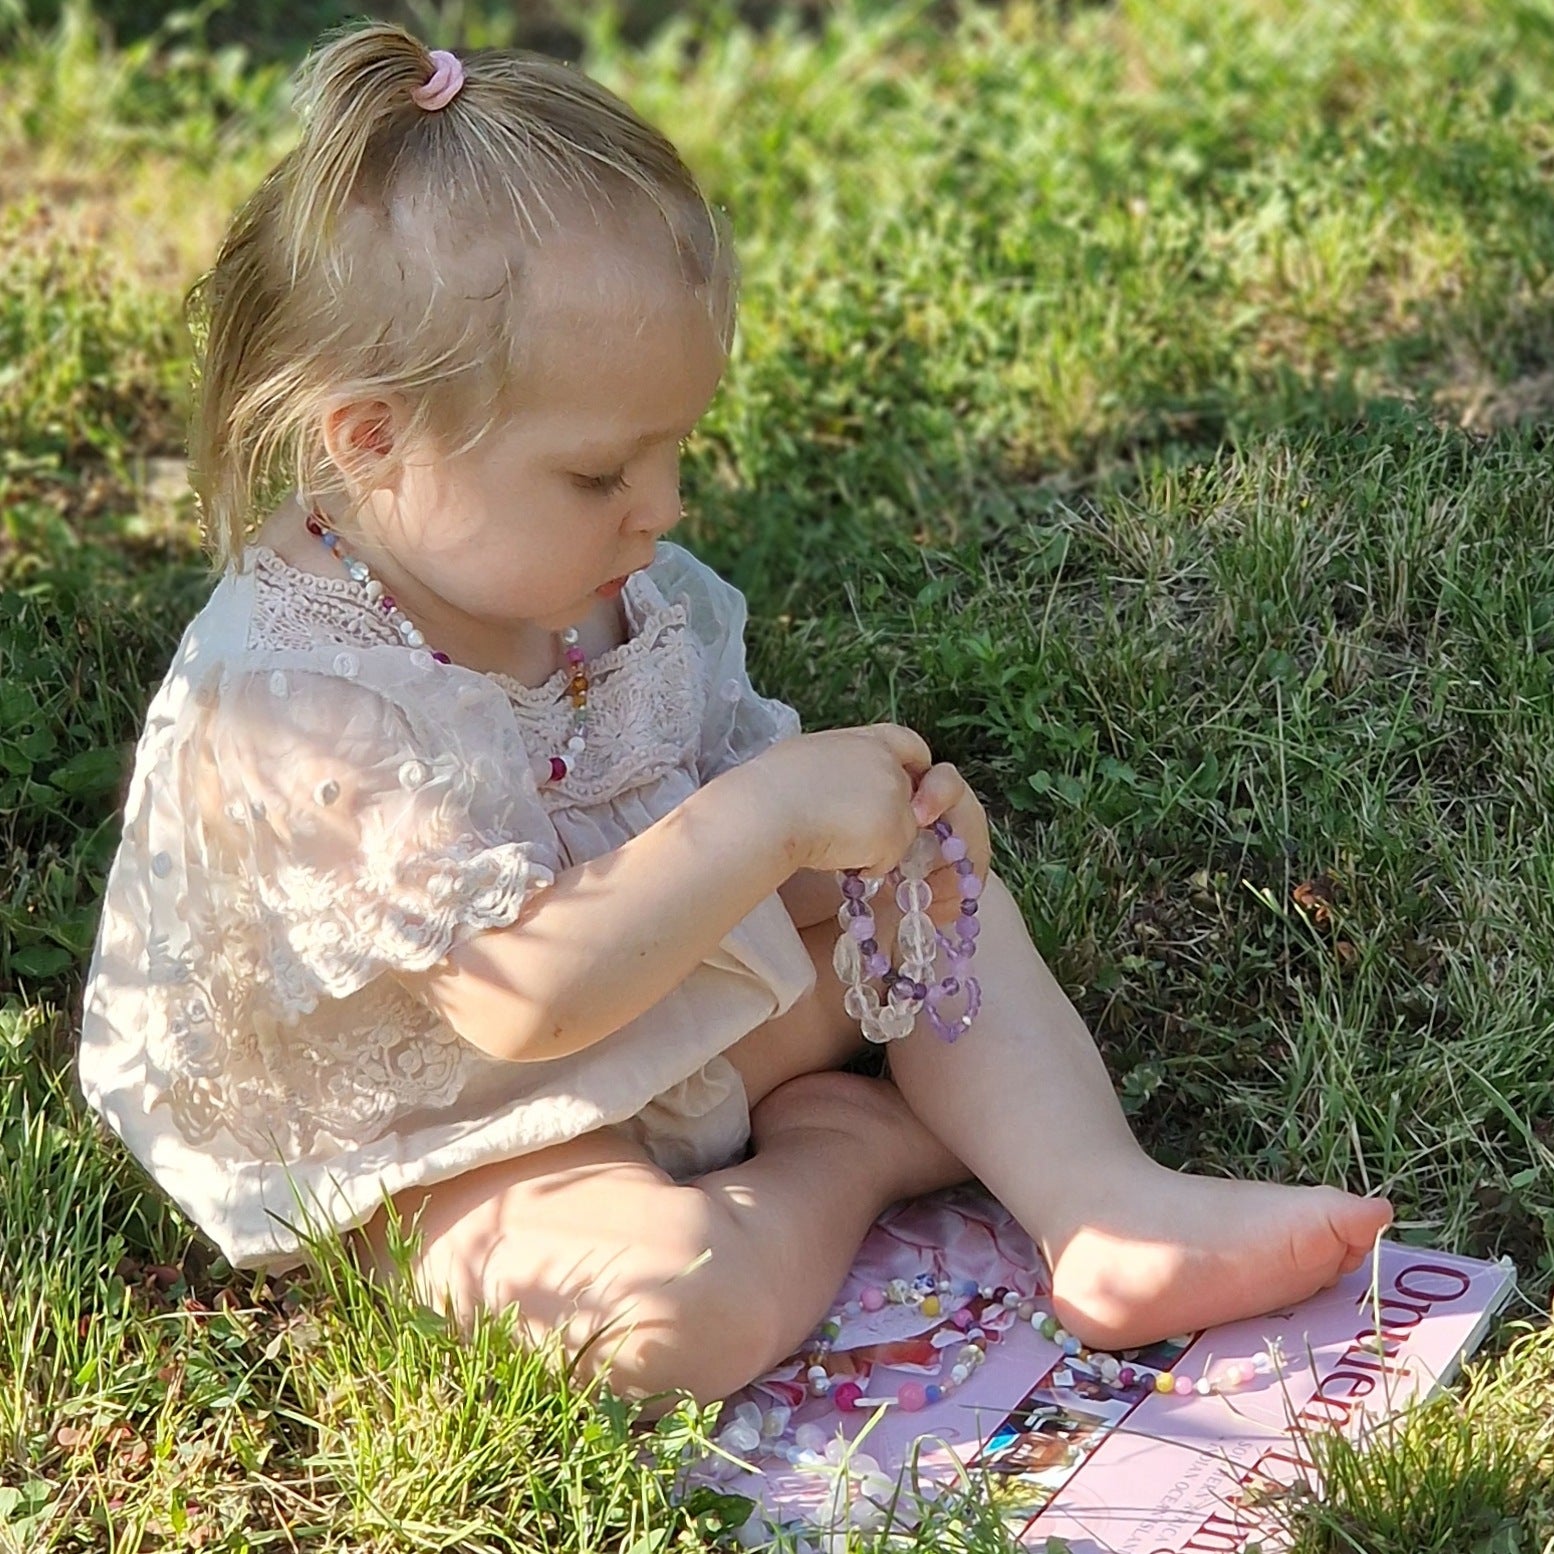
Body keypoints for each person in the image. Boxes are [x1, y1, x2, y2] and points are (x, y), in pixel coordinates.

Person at [77, 21, 1392, 1410]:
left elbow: (730, 840)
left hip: (663, 1017)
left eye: (673, 450)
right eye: (599, 472)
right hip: (453, 1135)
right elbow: (523, 1000)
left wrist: (863, 847)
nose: (662, 509)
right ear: (372, 439)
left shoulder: (611, 587)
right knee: (661, 1320)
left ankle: (1108, 1209)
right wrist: (763, 820)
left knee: (931, 903)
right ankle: (848, 1149)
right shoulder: (309, 701)